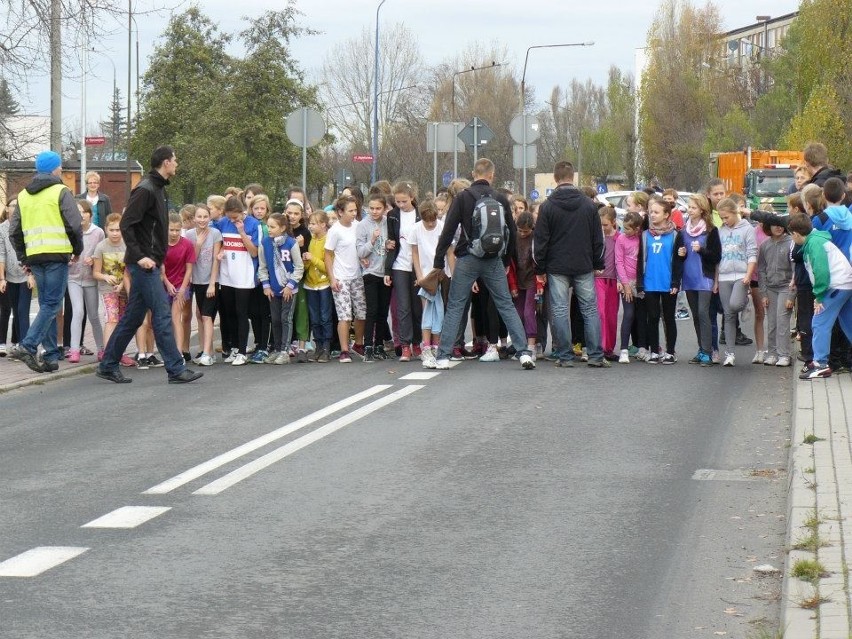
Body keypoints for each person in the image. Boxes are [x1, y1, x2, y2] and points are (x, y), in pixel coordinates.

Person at [95, 145, 202, 384]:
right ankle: (175, 369)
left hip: (151, 263)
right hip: (143, 265)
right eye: (175, 160)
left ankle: (108, 364)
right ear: (165, 162)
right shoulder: (145, 189)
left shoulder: (158, 188)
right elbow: (126, 225)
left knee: (132, 318)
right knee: (162, 313)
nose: (177, 164)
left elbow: (150, 229)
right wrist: (140, 255)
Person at [430, 158, 534, 371]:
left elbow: (448, 230)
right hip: (493, 260)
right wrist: (506, 260)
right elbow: (511, 233)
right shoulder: (500, 198)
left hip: (468, 258)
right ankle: (524, 353)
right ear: (492, 175)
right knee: (505, 305)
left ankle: (443, 356)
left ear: (473, 173)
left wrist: (438, 260)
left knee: (456, 305)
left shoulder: (462, 198)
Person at [9, 150, 83, 373]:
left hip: (35, 257)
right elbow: (74, 224)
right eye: (60, 166)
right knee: (52, 304)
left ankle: (51, 356)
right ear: (54, 168)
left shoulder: (23, 196)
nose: (61, 169)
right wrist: (77, 249)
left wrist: (24, 257)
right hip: (56, 255)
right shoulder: (61, 191)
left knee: (46, 305)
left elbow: (14, 232)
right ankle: (28, 345)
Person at [533, 160, 604, 368]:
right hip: (583, 264)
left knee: (560, 310)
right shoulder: (589, 205)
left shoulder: (547, 207)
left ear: (555, 179)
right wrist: (597, 262)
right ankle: (595, 355)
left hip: (557, 267)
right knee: (590, 310)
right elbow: (597, 239)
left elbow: (541, 241)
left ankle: (564, 356)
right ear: (573, 177)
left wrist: (540, 268)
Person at [790, 214, 852, 379]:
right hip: (843, 284)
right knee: (848, 323)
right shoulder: (816, 240)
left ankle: (821, 364)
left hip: (835, 285)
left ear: (796, 234)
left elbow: (821, 272)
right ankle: (820, 361)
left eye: (791, 235)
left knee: (819, 322)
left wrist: (819, 296)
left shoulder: (814, 244)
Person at [636, 196, 683, 364]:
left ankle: (670, 352)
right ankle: (654, 350)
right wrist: (639, 282)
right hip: (650, 283)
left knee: (669, 317)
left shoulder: (676, 235)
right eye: (650, 212)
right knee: (652, 317)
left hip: (668, 282)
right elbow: (640, 260)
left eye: (656, 212)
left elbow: (679, 261)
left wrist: (675, 282)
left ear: (666, 215)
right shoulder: (644, 235)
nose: (652, 215)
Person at [217, 194, 261, 366]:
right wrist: (221, 251)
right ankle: (234, 347)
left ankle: (243, 350)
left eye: (235, 217)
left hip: (244, 273)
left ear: (242, 212)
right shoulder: (223, 223)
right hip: (227, 274)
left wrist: (241, 231)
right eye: (229, 217)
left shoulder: (253, 224)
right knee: (230, 313)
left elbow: (254, 252)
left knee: (242, 312)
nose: (232, 220)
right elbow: (220, 240)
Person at [677, 194, 721, 366]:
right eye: (689, 207)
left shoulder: (711, 231)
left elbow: (716, 256)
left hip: (705, 278)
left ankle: (708, 352)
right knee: (695, 315)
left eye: (693, 207)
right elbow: (679, 255)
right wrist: (681, 254)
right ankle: (701, 349)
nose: (690, 210)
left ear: (702, 210)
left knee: (703, 313)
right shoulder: (683, 231)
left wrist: (702, 250)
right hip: (689, 278)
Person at [716, 197, 758, 367]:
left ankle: (745, 302)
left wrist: (748, 275)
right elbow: (718, 257)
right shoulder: (721, 231)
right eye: (722, 218)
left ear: (735, 212)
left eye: (726, 217)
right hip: (724, 275)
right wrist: (716, 280)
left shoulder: (747, 229)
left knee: (734, 305)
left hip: (741, 274)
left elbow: (752, 253)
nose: (724, 221)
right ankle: (730, 353)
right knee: (728, 315)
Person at [325, 195, 366, 363]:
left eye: (355, 210)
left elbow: (360, 248)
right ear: (340, 212)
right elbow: (328, 255)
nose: (354, 213)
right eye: (350, 211)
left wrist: (363, 258)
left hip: (357, 276)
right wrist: (332, 278)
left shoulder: (358, 226)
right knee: (345, 316)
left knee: (361, 313)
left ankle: (358, 343)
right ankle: (344, 349)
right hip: (341, 277)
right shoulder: (335, 230)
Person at [258, 212, 304, 365]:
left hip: (289, 289)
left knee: (286, 318)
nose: (269, 229)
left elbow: (299, 267)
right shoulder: (265, 243)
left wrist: (290, 285)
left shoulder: (291, 243)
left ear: (283, 228)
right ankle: (277, 349)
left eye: (272, 227)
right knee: (276, 319)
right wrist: (266, 285)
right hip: (273, 289)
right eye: (268, 226)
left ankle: (285, 350)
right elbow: (263, 266)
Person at [385, 181, 421, 361]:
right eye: (397, 202)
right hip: (399, 264)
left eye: (404, 201)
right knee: (403, 306)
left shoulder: (420, 214)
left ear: (412, 198)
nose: (400, 205)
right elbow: (391, 242)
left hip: (417, 265)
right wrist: (387, 270)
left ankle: (417, 342)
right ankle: (405, 345)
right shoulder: (392, 215)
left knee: (417, 306)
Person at [92, 213, 135, 367]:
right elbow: (95, 272)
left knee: (123, 321)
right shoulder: (101, 247)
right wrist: (105, 277)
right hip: (107, 288)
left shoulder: (127, 245)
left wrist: (123, 285)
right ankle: (107, 353)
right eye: (112, 230)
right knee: (112, 318)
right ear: (106, 230)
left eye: (118, 230)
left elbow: (129, 270)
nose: (115, 233)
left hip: (124, 287)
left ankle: (119, 352)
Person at [409, 199, 446, 368]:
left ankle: (436, 346)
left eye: (433, 220)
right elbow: (415, 254)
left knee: (439, 311)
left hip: (440, 274)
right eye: (427, 221)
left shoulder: (442, 226)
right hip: (425, 276)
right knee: (427, 311)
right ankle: (427, 347)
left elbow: (449, 252)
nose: (431, 223)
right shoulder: (416, 229)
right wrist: (420, 277)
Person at [66, 199, 105, 363]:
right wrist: (68, 259)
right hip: (73, 277)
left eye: (84, 211)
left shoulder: (98, 232)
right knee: (78, 311)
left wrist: (93, 260)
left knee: (94, 315)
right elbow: (65, 251)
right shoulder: (70, 231)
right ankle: (74, 350)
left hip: (90, 278)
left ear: (90, 214)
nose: (81, 214)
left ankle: (102, 349)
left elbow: (102, 254)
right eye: (77, 211)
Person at [185, 204, 221, 366]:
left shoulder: (215, 233)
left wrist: (212, 283)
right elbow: (190, 260)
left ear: (209, 217)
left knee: (207, 316)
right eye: (199, 217)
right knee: (202, 315)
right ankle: (210, 352)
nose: (202, 220)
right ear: (194, 218)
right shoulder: (189, 235)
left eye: (205, 216)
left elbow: (215, 260)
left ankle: (206, 353)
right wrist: (198, 243)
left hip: (211, 281)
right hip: (197, 281)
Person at [356, 192, 391, 362]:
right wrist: (372, 240)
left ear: (384, 209)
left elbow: (391, 243)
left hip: (385, 272)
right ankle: (367, 344)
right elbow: (360, 251)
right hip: (370, 272)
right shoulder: (363, 225)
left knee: (383, 311)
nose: (375, 211)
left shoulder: (388, 222)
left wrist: (389, 244)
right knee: (372, 310)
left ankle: (379, 345)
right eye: (371, 208)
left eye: (378, 208)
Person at [758, 219, 795, 367]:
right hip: (770, 288)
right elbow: (761, 270)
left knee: (782, 321)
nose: (779, 228)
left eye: (781, 225)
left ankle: (784, 354)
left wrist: (792, 295)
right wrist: (763, 293)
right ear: (769, 227)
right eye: (775, 225)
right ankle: (772, 353)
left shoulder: (791, 242)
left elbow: (795, 271)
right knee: (772, 322)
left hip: (786, 287)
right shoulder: (765, 245)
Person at [0, 196, 33, 357]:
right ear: (7, 208)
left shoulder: (26, 225)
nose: (15, 208)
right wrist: (2, 278)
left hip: (25, 275)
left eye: (18, 205)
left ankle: (25, 346)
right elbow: (2, 254)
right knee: (15, 310)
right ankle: (17, 344)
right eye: (13, 205)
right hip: (10, 276)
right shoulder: (2, 229)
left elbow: (31, 251)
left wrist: (31, 274)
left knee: (23, 310)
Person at [162, 212, 196, 361]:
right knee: (164, 320)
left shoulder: (187, 244)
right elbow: (160, 268)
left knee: (176, 317)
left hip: (182, 285)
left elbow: (189, 269)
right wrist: (167, 284)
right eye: (171, 230)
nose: (174, 233)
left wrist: (183, 289)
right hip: (164, 284)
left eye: (177, 230)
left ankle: (179, 353)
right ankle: (166, 351)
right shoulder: (161, 244)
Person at [303, 211, 333, 363]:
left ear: (323, 224)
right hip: (310, 284)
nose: (311, 226)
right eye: (310, 223)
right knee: (314, 317)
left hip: (324, 284)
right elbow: (309, 264)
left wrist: (312, 259)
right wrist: (306, 261)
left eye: (314, 223)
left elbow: (327, 266)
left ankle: (327, 347)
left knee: (325, 316)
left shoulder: (327, 240)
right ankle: (318, 346)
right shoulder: (312, 239)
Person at [285, 199, 313, 362]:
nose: (292, 216)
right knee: (285, 314)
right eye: (289, 213)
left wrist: (300, 245)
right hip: (283, 278)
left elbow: (305, 258)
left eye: (296, 213)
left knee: (301, 312)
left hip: (299, 278)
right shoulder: (283, 230)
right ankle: (285, 345)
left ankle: (302, 345)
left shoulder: (305, 233)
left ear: (301, 215)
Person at [507, 211, 537, 358]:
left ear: (532, 228)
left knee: (528, 312)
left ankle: (531, 346)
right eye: (520, 231)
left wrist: (541, 284)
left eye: (526, 231)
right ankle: (521, 345)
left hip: (532, 280)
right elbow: (510, 265)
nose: (523, 234)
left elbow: (538, 262)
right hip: (518, 280)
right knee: (518, 314)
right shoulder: (513, 238)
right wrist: (512, 285)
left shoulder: (535, 238)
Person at [616, 211, 642, 364]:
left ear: (637, 228)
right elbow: (619, 262)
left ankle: (642, 346)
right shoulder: (621, 239)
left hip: (641, 282)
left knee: (641, 315)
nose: (625, 231)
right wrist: (625, 284)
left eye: (628, 229)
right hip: (628, 282)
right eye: (624, 227)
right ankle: (624, 349)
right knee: (629, 314)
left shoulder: (642, 238)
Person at [595, 206, 621, 360]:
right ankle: (601, 347)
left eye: (605, 225)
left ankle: (609, 348)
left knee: (612, 315)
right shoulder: (597, 237)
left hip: (613, 280)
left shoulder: (619, 238)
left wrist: (621, 280)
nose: (602, 228)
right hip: (598, 278)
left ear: (613, 222)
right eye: (600, 225)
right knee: (601, 313)